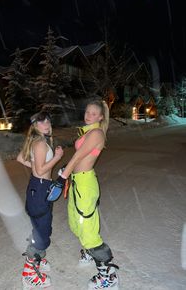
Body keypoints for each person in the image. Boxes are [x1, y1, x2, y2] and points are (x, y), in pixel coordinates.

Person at [56, 99, 119, 289]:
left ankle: (108, 275)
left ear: (100, 117)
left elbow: (79, 155)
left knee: (88, 228)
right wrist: (67, 170)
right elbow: (78, 158)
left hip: (85, 184)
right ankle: (89, 252)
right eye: (87, 111)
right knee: (76, 222)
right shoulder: (89, 131)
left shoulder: (97, 132)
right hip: (77, 182)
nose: (88, 115)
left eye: (93, 113)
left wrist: (62, 177)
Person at [17, 111, 64, 289]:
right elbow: (39, 170)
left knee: (41, 226)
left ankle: (37, 258)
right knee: (42, 232)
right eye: (41, 122)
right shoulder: (40, 144)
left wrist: (39, 171)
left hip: (38, 187)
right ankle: (29, 273)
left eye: (47, 120)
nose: (46, 124)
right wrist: (58, 158)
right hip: (40, 187)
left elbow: (21, 158)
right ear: (35, 126)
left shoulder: (38, 142)